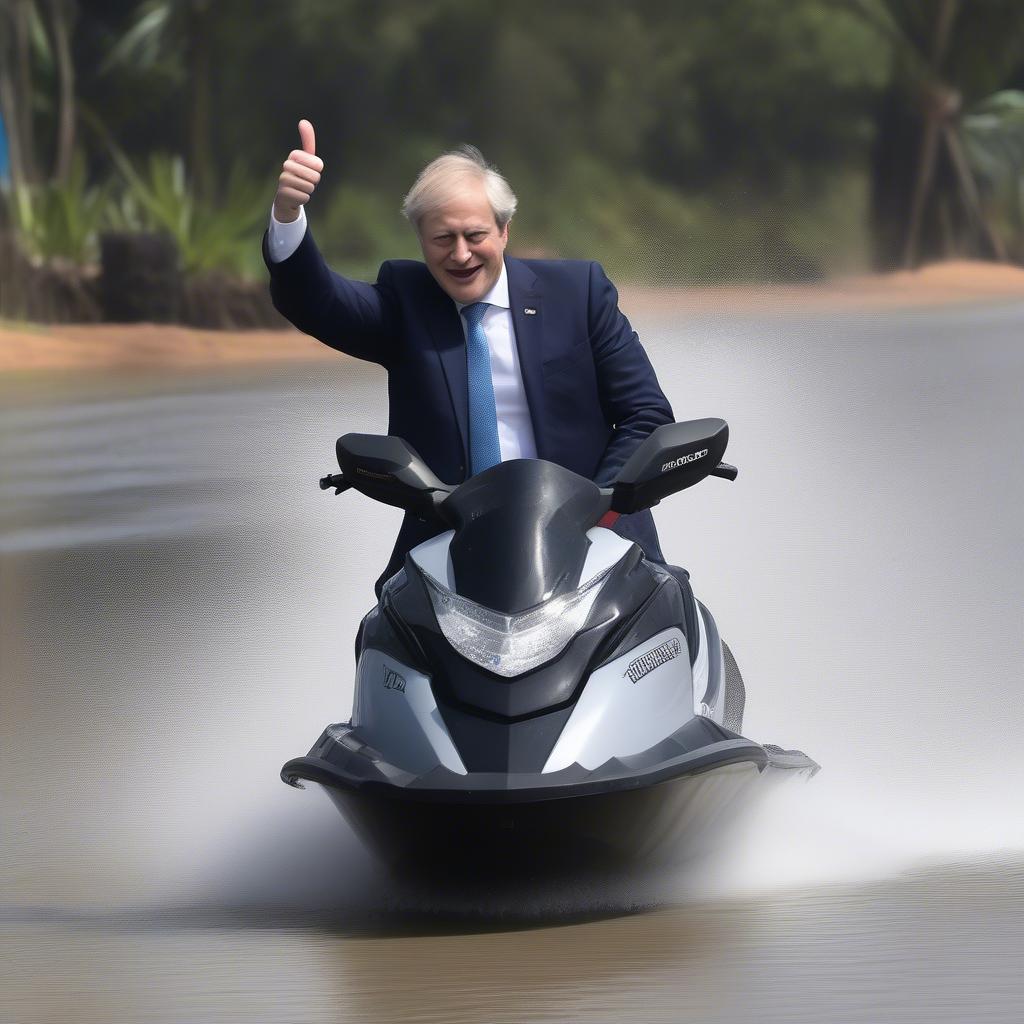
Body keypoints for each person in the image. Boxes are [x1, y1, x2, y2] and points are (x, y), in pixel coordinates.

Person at [263, 119, 680, 600]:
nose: (461, 255)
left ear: (504, 231)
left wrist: (600, 509)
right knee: (383, 638)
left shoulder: (577, 294)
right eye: (443, 239)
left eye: (475, 235)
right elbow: (318, 302)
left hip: (595, 543)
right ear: (420, 240)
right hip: (448, 551)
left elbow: (645, 414)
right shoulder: (406, 302)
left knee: (672, 624)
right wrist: (288, 212)